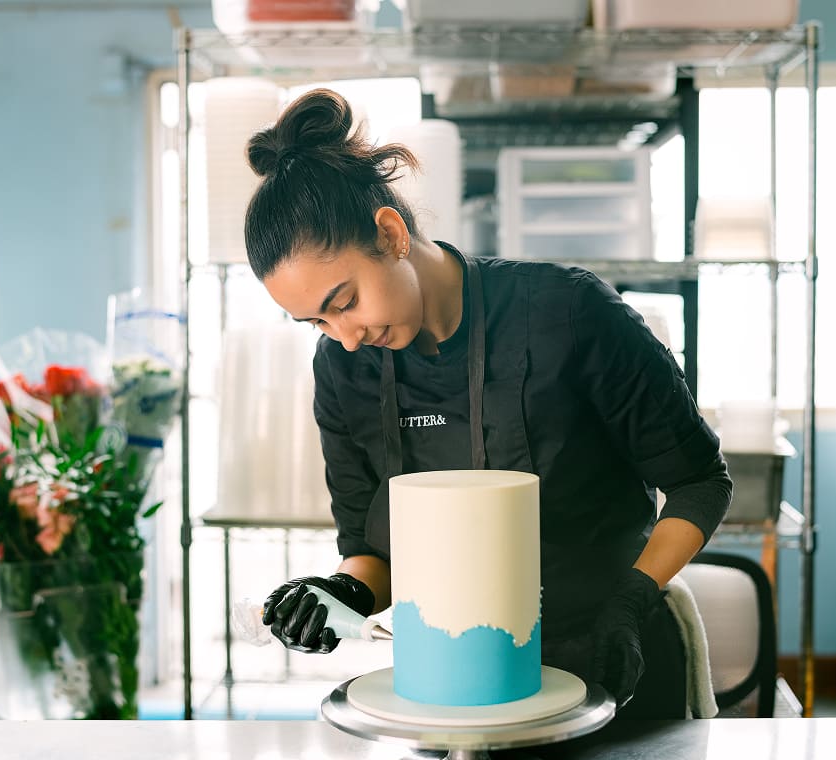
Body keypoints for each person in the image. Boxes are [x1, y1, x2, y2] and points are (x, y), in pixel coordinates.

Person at [244, 88, 732, 719]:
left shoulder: (569, 314)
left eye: (344, 301)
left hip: (614, 655)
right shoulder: (344, 367)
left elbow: (700, 482)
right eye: (316, 321)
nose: (345, 334)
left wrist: (631, 602)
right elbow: (374, 552)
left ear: (390, 234)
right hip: (455, 680)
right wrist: (336, 594)